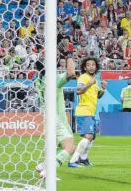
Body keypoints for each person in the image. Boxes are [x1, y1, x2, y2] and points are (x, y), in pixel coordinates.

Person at [35, 42, 76, 179]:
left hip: (49, 117)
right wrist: (68, 55)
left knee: (59, 147)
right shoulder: (53, 79)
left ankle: (45, 165)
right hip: (57, 118)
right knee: (70, 148)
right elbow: (71, 73)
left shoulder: (39, 80)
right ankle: (49, 170)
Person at [68, 57, 108, 167]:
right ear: (85, 67)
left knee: (92, 137)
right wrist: (90, 83)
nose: (91, 67)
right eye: (88, 65)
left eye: (93, 65)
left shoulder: (94, 80)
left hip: (91, 112)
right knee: (89, 136)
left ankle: (83, 158)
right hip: (83, 111)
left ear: (96, 67)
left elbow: (98, 96)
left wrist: (103, 89)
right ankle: (73, 161)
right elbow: (79, 91)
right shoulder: (83, 78)